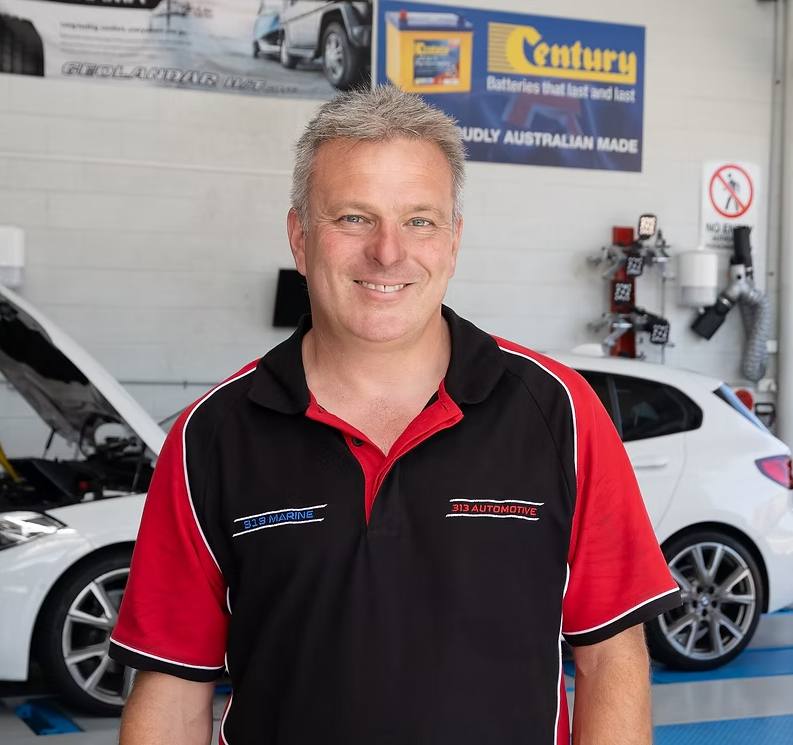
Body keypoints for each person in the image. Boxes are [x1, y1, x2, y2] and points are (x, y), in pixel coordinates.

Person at [110, 85, 681, 745]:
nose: (387, 252)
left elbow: (611, 654)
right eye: (353, 217)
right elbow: (174, 687)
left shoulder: (560, 414)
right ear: (300, 237)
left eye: (418, 220)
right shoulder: (210, 435)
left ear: (453, 240)